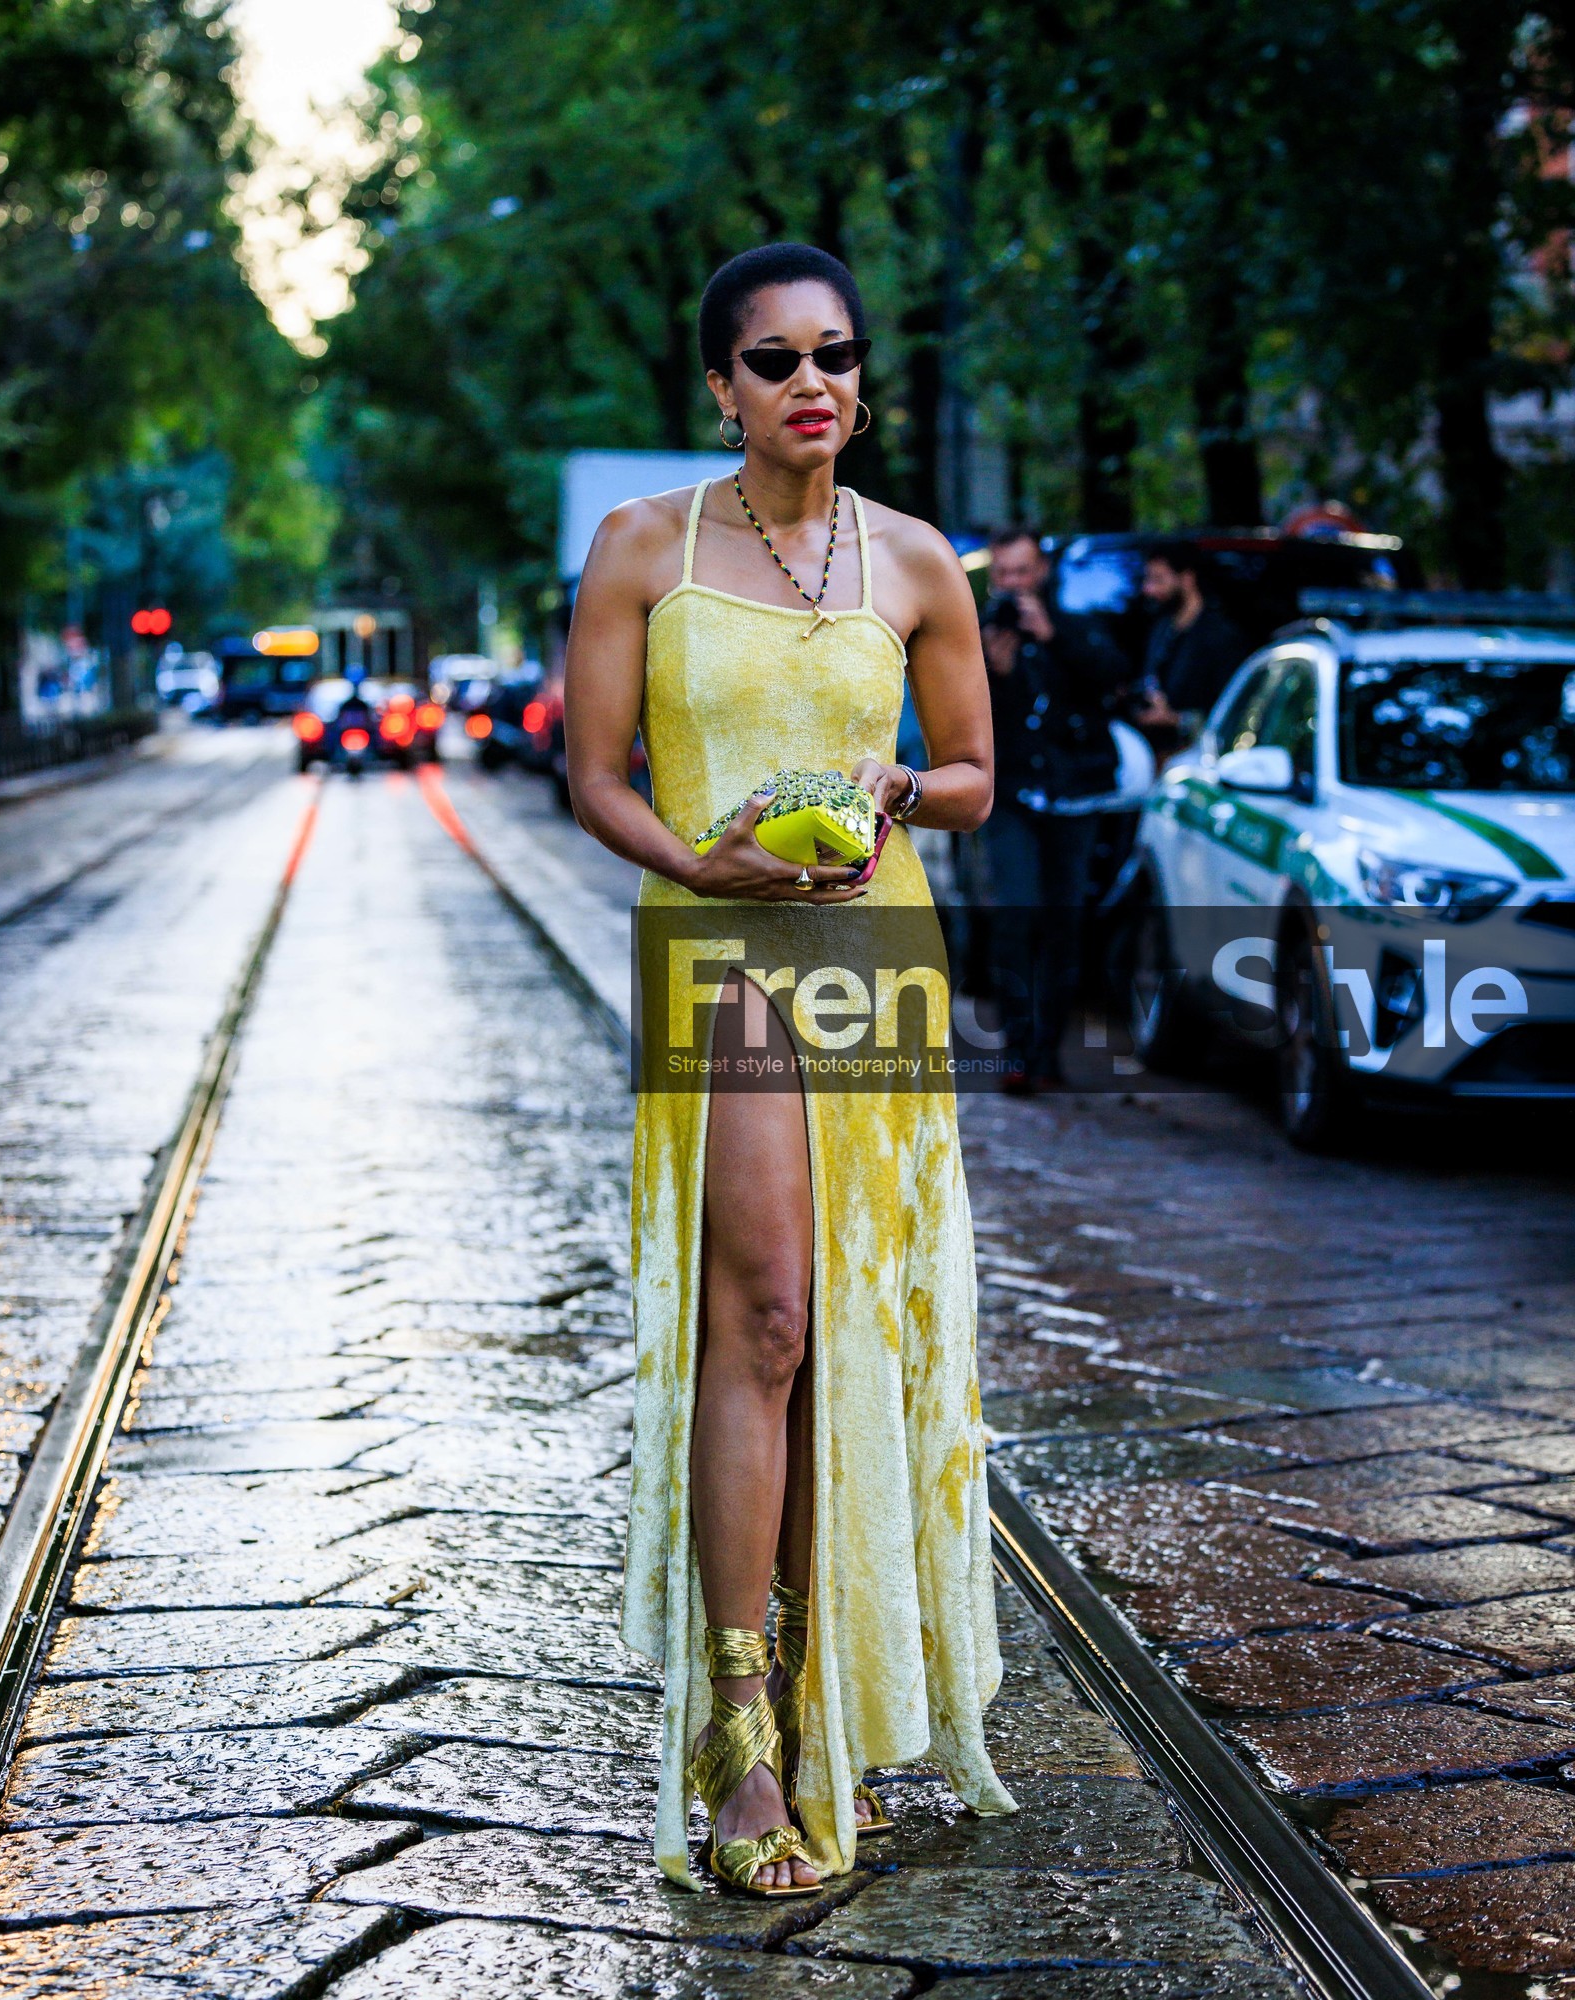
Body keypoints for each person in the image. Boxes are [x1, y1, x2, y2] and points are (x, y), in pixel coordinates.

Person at [564, 242, 1013, 1898]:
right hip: (720, 945)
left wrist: (900, 788)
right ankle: (740, 1738)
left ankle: (837, 1705)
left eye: (833, 354)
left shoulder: (911, 558)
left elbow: (975, 773)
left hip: (874, 951)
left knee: (851, 1331)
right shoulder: (643, 549)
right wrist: (697, 867)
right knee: (762, 1314)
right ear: (721, 386)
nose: (810, 384)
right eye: (773, 361)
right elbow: (591, 776)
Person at [979, 528, 1124, 1093]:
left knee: (1065, 924)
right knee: (1016, 914)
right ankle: (1017, 1049)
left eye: (1023, 572)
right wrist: (997, 669)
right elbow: (957, 713)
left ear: (1041, 572)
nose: (1014, 585)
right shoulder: (981, 632)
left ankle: (1048, 1050)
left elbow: (1112, 677)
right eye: (1004, 574)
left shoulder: (1077, 623)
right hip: (1012, 795)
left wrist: (1054, 636)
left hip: (1075, 795)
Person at [1133, 539, 1249, 743]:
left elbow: (1232, 710)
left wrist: (1176, 720)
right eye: (1148, 580)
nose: (1149, 589)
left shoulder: (1219, 636)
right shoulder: (1162, 629)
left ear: (1186, 579)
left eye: (1158, 579)